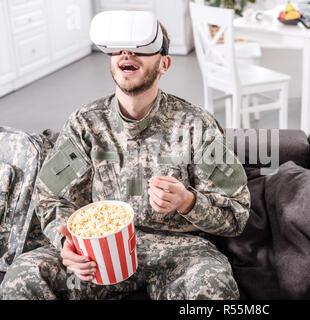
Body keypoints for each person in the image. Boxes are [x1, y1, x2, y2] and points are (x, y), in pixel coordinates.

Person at [0, 18, 250, 300]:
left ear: (164, 64)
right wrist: (66, 242)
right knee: (24, 275)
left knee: (214, 285)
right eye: (118, 48)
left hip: (179, 252)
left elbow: (237, 212)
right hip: (95, 254)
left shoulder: (198, 126)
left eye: (141, 47)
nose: (127, 54)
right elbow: (51, 198)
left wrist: (187, 202)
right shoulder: (85, 124)